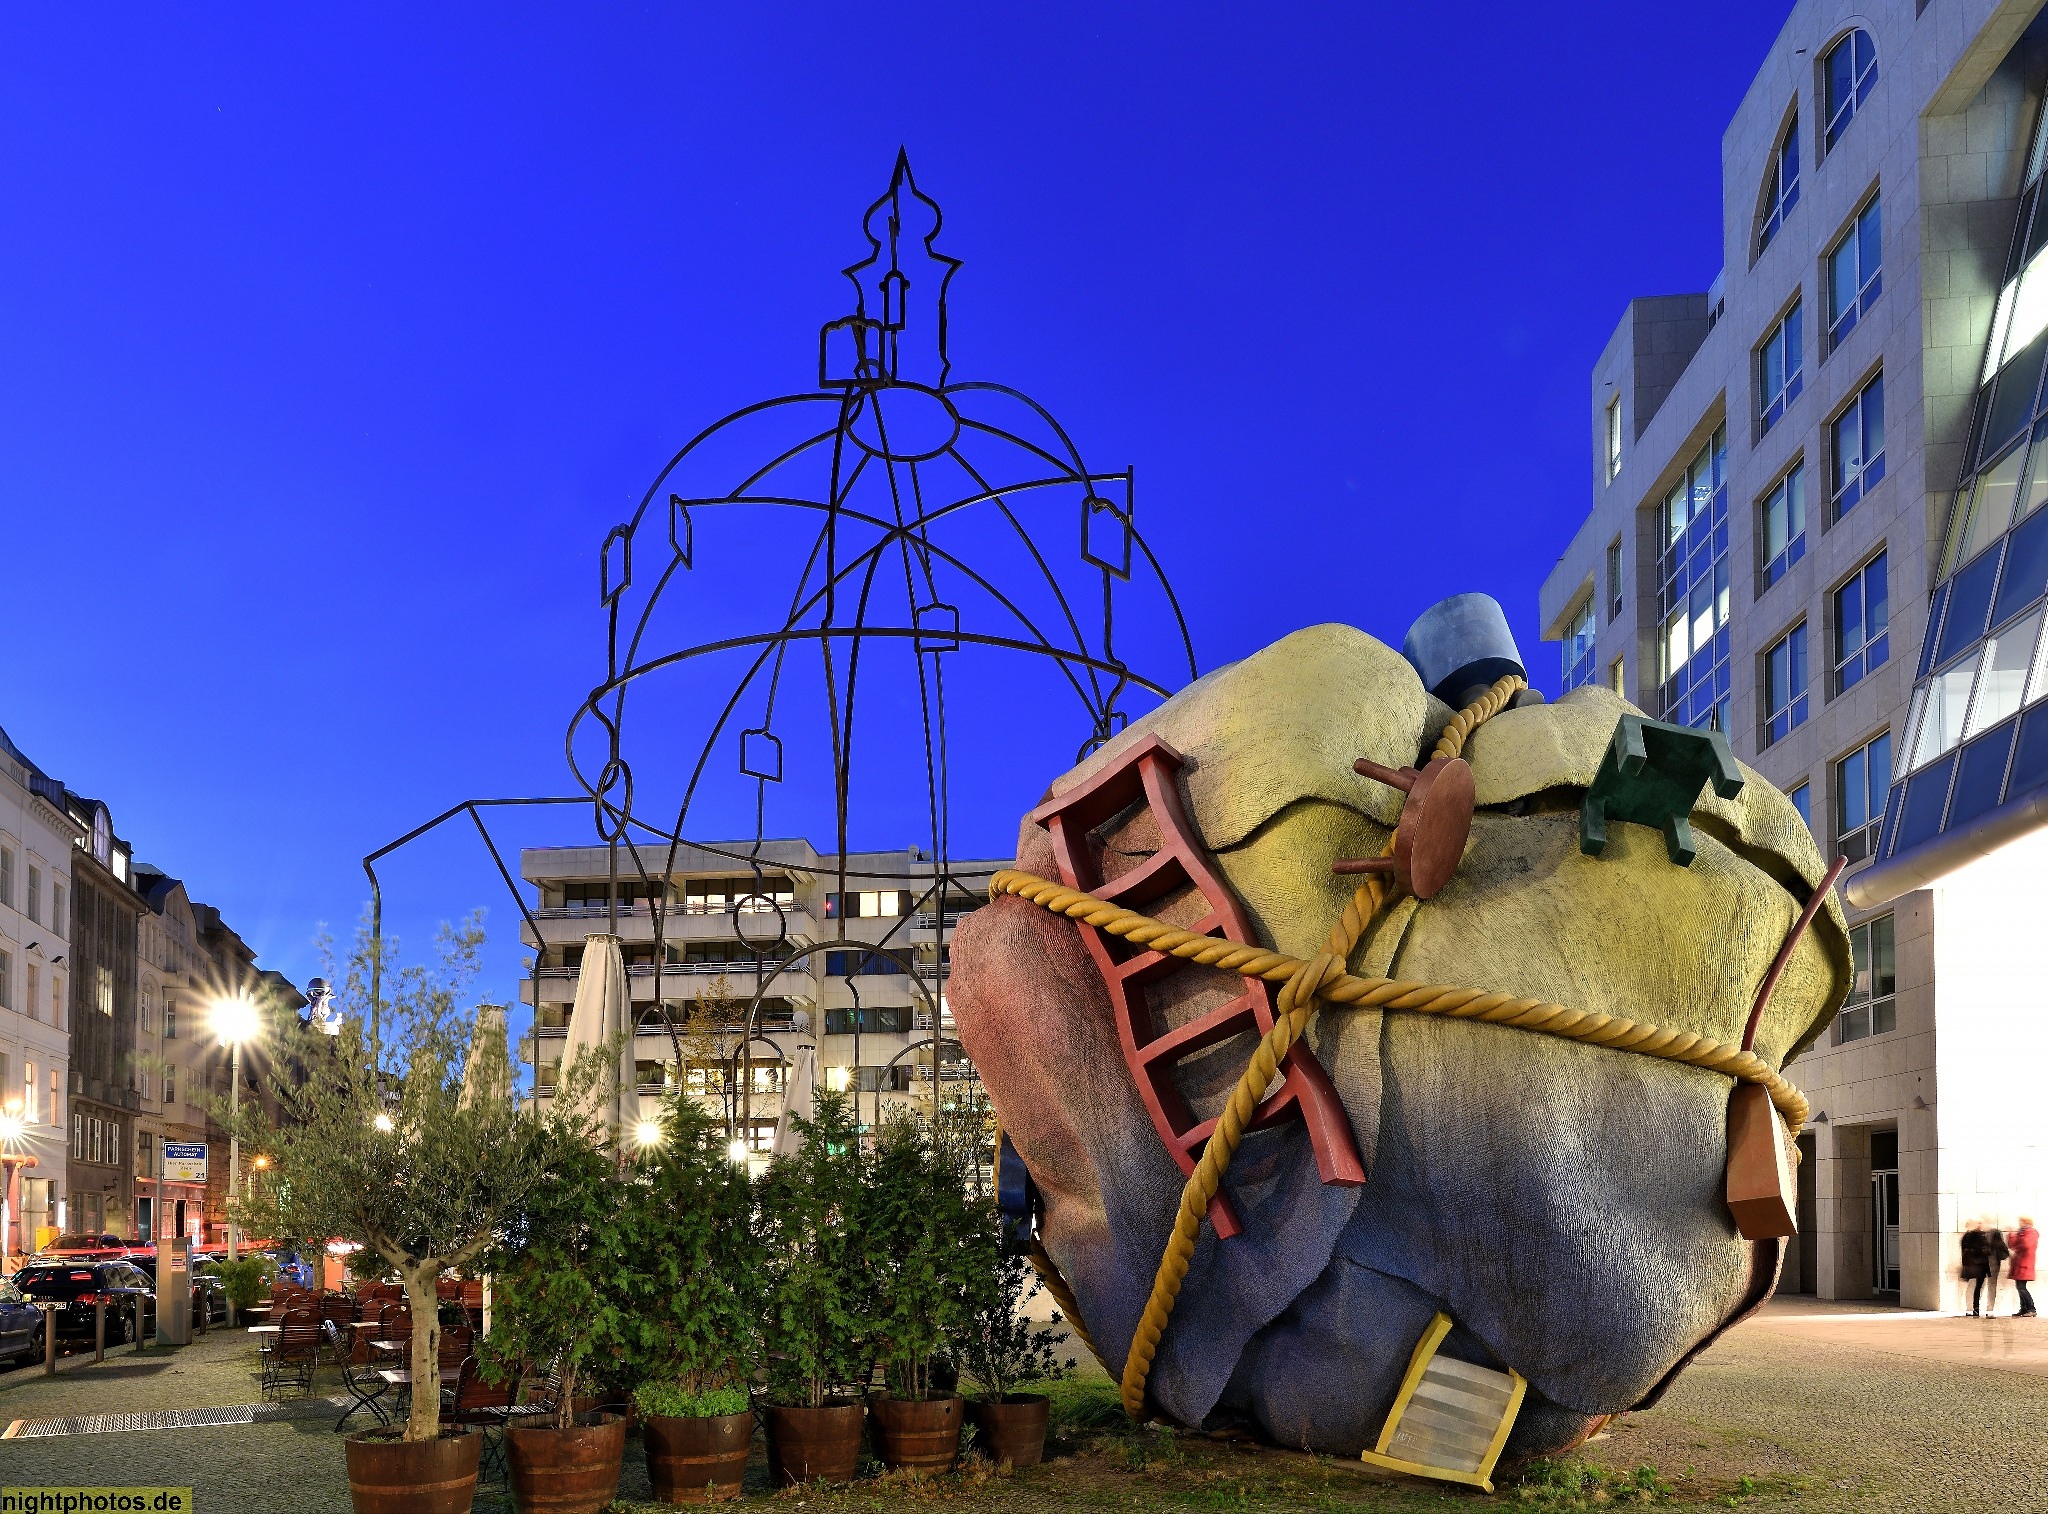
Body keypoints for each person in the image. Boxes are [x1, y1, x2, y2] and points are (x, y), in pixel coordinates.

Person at [1962, 1221, 1994, 1316]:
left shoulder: (1968, 1236)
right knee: (1978, 1287)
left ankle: (1975, 1309)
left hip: (1974, 1264)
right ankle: (1975, 1309)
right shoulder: (1981, 1236)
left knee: (1976, 1287)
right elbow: (1987, 1251)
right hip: (1980, 1265)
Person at [2010, 1217, 2039, 1318]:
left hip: (2025, 1263)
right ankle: (2024, 1309)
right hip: (2019, 1263)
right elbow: (2012, 1245)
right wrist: (2012, 1235)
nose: (2019, 1223)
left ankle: (2031, 1309)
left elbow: (2026, 1244)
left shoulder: (2031, 1232)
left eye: (2021, 1221)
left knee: (2021, 1287)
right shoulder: (2021, 1233)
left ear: (2026, 1222)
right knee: (2020, 1287)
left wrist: (2019, 1237)